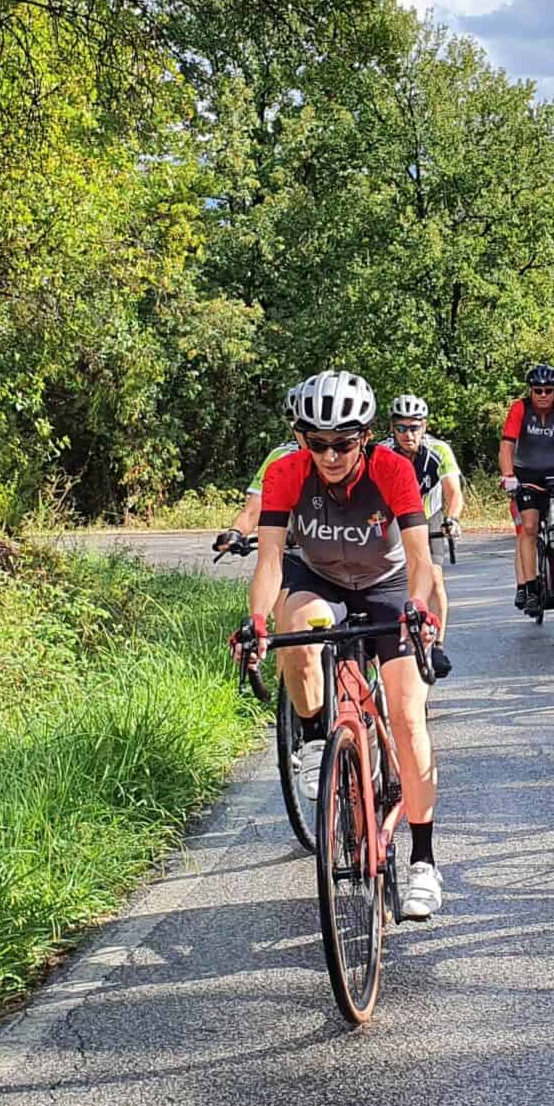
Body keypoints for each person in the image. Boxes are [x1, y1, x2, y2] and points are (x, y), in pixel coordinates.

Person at [244, 370, 449, 918]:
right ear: (301, 438)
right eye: (317, 443)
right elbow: (268, 564)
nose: (330, 455)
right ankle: (316, 740)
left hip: (388, 584)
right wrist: (258, 622)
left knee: (407, 717)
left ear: (365, 436)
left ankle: (424, 861)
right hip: (322, 580)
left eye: (343, 443)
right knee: (300, 630)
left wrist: (418, 609)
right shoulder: (286, 473)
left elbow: (421, 561)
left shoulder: (393, 470)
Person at [384, 394, 462, 679]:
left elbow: (453, 492)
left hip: (429, 517)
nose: (408, 434)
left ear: (425, 426)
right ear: (392, 429)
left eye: (414, 427)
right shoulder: (382, 452)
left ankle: (438, 645)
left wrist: (451, 519)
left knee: (434, 576)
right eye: (401, 428)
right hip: (393, 520)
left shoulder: (438, 451)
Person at [498, 364, 554, 616]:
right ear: (530, 391)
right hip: (527, 475)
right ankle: (531, 587)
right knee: (529, 527)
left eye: (548, 390)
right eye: (538, 390)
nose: (543, 395)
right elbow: (507, 446)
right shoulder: (520, 408)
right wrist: (508, 475)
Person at [214, 387, 300, 556]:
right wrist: (236, 533)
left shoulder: (348, 457)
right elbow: (254, 509)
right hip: (295, 552)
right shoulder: (280, 456)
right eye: (296, 422)